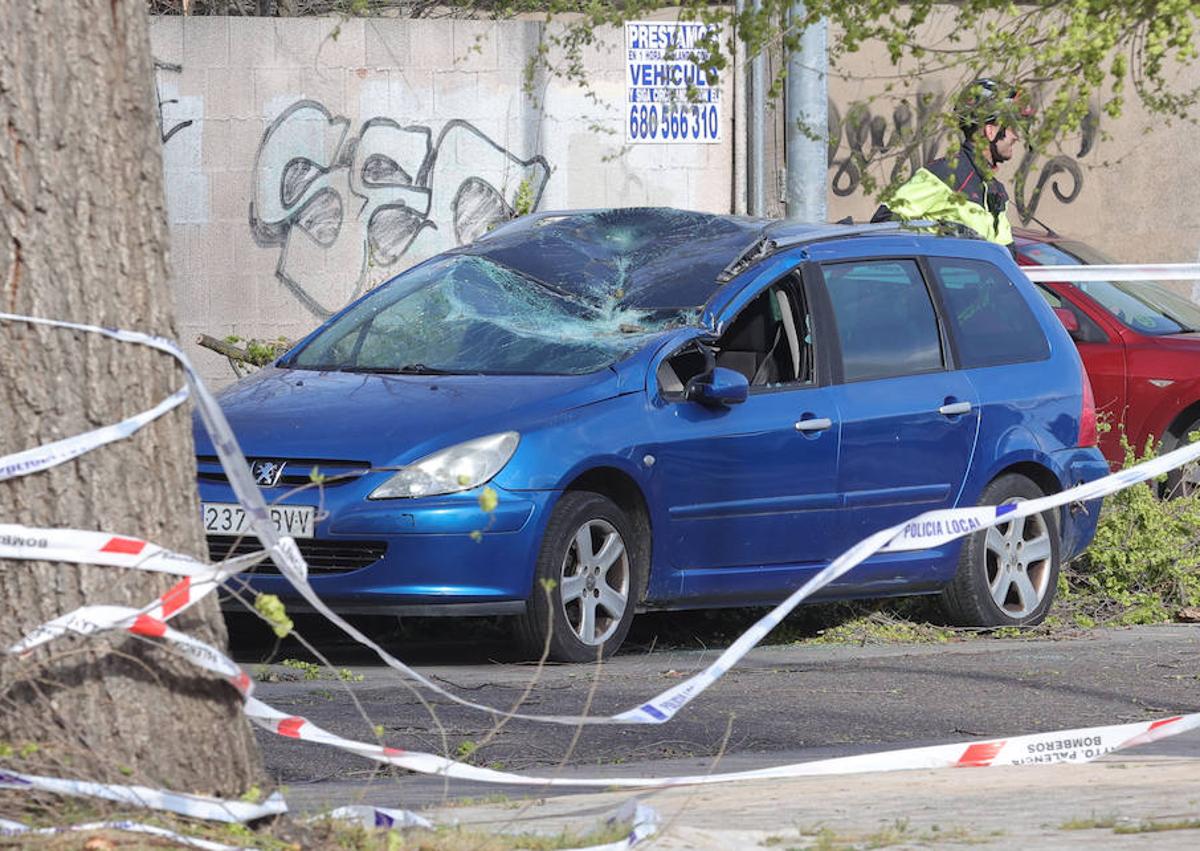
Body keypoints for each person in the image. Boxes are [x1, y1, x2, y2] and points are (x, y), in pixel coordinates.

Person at [872, 79, 1033, 245]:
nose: (1016, 136)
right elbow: (882, 224)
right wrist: (941, 243)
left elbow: (1005, 255)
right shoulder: (944, 175)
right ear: (990, 131)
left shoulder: (995, 191)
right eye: (1012, 126)